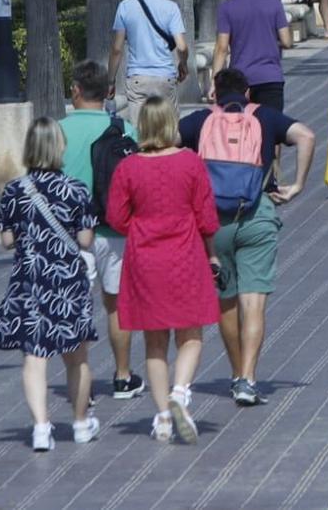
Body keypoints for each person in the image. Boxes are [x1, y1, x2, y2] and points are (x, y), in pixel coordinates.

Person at [180, 70, 315, 406]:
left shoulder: (198, 121)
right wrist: (297, 184)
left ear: (215, 93)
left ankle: (236, 370)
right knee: (253, 302)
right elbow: (307, 136)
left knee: (226, 300)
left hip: (214, 223)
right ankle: (248, 379)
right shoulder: (264, 117)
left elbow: (164, 144)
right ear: (248, 92)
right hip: (257, 213)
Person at [107, 97, 221, 443]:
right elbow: (207, 217)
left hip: (144, 258)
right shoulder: (190, 162)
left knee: (154, 342)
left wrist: (139, 227)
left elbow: (115, 216)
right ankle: (181, 393)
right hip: (184, 254)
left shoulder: (128, 168)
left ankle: (161, 418)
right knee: (192, 335)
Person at [0, 118, 99, 451]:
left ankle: (40, 428)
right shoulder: (76, 189)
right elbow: (85, 239)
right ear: (59, 147)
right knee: (77, 357)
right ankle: (80, 424)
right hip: (67, 281)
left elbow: (7, 240)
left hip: (30, 280)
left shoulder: (14, 191)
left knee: (34, 358)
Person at [59, 61, 141, 399]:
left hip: (69, 234)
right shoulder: (125, 129)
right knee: (117, 305)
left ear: (75, 90)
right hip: (114, 230)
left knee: (76, 305)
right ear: (108, 92)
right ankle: (123, 376)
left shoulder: (58, 130)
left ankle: (82, 385)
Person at [212, 0, 292, 111]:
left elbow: (222, 48)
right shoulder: (274, 3)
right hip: (270, 77)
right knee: (271, 128)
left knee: (242, 130)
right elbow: (287, 41)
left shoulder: (226, 8)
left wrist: (215, 82)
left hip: (240, 81)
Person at [110, 0, 188, 110]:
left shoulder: (125, 7)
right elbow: (182, 47)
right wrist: (183, 64)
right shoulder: (171, 7)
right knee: (167, 130)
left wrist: (110, 81)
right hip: (165, 77)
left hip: (137, 78)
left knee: (139, 132)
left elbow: (117, 49)